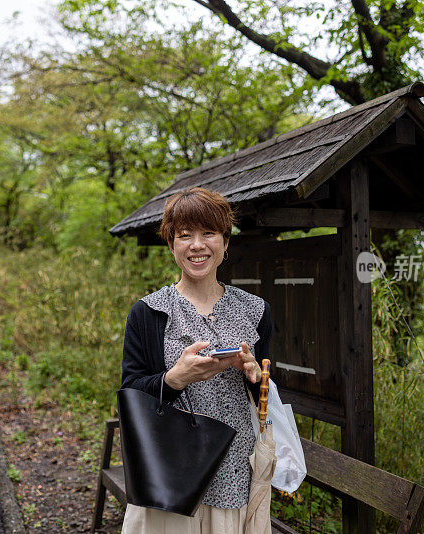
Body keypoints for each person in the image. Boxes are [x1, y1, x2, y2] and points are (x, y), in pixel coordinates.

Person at [120, 187, 272, 533]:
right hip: (169, 470)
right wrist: (175, 378)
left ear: (226, 242)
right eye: (184, 236)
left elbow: (266, 390)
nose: (197, 245)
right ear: (172, 245)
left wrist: (254, 374)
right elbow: (130, 392)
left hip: (234, 468)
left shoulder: (255, 310)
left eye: (208, 233)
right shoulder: (148, 312)